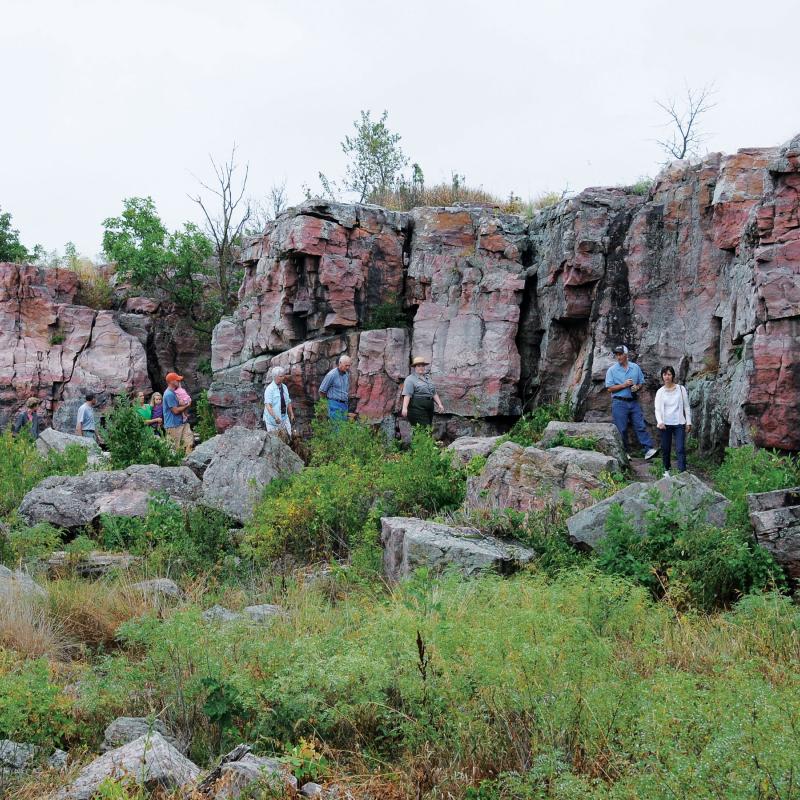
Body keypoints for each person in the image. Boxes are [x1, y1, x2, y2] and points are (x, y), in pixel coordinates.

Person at [605, 345, 658, 459]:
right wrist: (624, 385)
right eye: (617, 354)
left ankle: (648, 450)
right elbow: (609, 388)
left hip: (633, 401)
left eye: (620, 354)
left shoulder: (635, 368)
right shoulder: (612, 370)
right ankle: (624, 453)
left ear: (626, 355)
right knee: (621, 429)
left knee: (640, 425)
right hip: (619, 402)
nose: (618, 357)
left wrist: (637, 387)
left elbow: (641, 383)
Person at [654, 366, 692, 476]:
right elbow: (657, 409)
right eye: (665, 374)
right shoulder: (660, 392)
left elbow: (686, 407)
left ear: (673, 376)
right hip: (665, 424)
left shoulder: (681, 389)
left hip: (679, 423)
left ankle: (682, 472)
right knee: (666, 449)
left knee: (680, 448)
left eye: (669, 374)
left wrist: (688, 422)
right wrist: (660, 421)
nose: (667, 377)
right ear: (662, 376)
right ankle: (667, 470)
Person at [401, 356, 445, 426]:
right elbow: (407, 394)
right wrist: (404, 408)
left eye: (423, 366)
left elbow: (434, 393)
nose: (421, 367)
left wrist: (440, 404)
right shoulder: (410, 379)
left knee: (428, 427)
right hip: (417, 408)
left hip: (429, 408)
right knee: (423, 428)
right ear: (415, 367)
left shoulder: (428, 378)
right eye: (418, 366)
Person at [163, 372, 193, 453]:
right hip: (173, 426)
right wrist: (187, 405)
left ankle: (189, 461)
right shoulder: (168, 394)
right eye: (177, 380)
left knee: (189, 442)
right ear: (172, 381)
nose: (179, 381)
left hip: (181, 423)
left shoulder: (174, 392)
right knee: (175, 450)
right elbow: (175, 411)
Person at [263, 366, 294, 438]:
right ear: (275, 377)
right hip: (273, 421)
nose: (283, 377)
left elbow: (288, 401)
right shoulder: (269, 389)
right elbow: (268, 406)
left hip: (284, 417)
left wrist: (291, 414)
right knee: (275, 440)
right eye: (281, 376)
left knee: (289, 436)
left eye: (283, 376)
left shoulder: (284, 387)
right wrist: (275, 417)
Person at [319, 355, 352, 421]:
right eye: (346, 365)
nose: (348, 367)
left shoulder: (346, 374)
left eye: (349, 365)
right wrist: (325, 405)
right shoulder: (331, 375)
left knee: (343, 428)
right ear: (340, 363)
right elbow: (322, 391)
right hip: (334, 404)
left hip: (344, 405)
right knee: (336, 428)